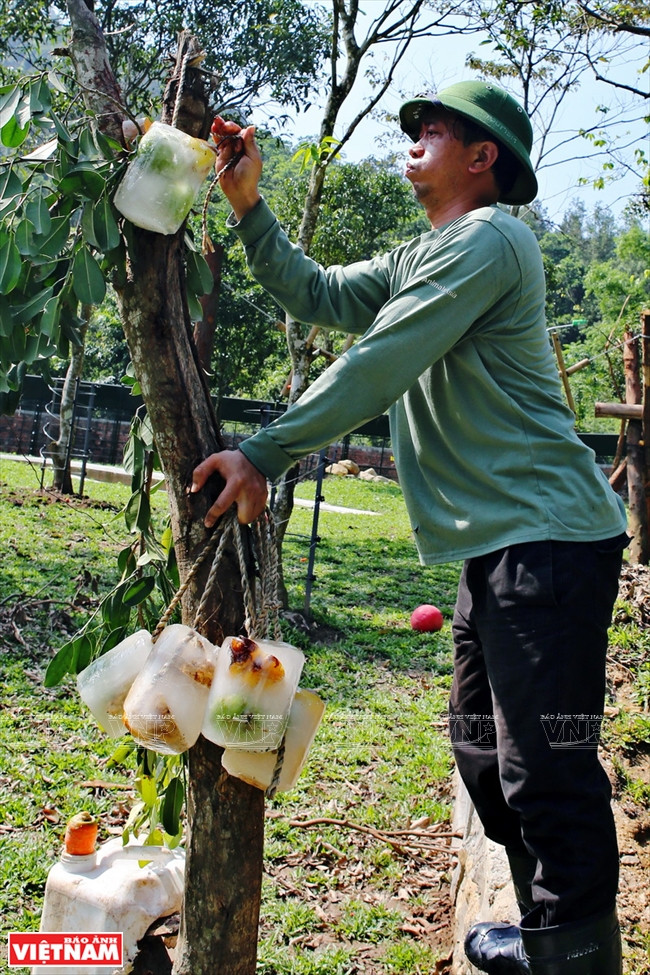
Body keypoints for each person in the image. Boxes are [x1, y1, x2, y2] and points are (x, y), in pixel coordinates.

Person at [191, 81, 628, 974]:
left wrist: (265, 451)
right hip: (500, 552)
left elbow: (380, 361)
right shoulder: (425, 255)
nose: (416, 143)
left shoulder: (491, 241)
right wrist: (248, 205)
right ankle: (549, 937)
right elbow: (313, 291)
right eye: (417, 131)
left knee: (549, 770)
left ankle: (574, 954)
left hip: (550, 544)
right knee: (482, 753)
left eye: (434, 132)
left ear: (483, 158)